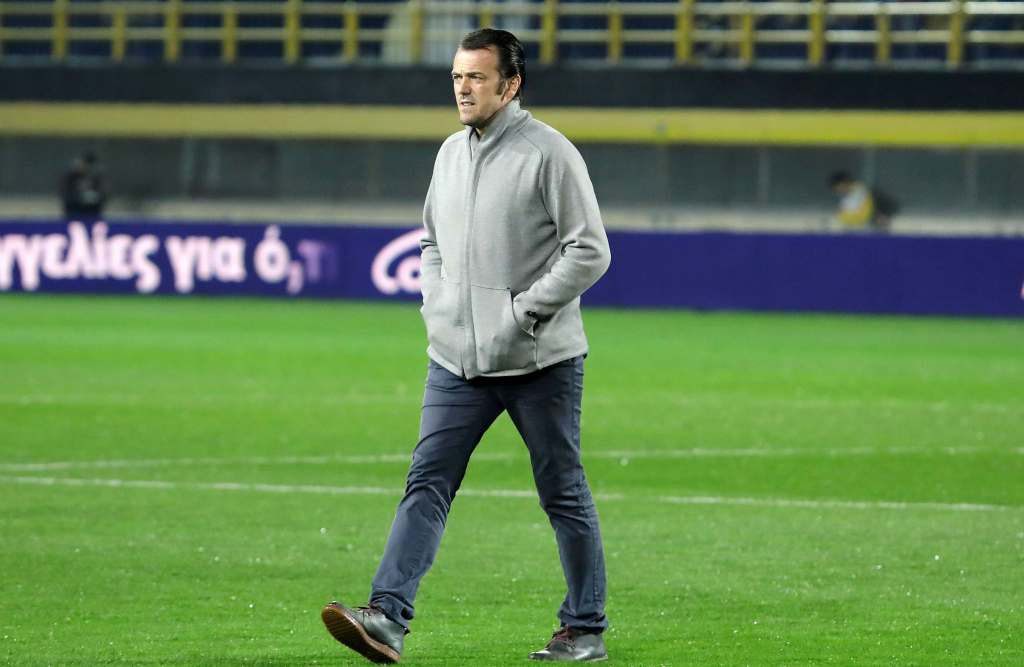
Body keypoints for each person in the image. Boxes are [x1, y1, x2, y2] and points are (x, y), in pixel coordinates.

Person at [321, 28, 612, 664]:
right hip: (456, 361)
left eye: (476, 77)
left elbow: (590, 250)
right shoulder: (450, 153)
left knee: (562, 492)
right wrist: (438, 304)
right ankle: (387, 617)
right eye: (457, 76)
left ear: (510, 86)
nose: (462, 88)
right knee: (427, 481)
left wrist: (524, 312)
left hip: (539, 360)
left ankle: (585, 628)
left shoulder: (549, 153)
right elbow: (430, 241)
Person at [828, 170, 897, 232]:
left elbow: (865, 215)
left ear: (842, 183)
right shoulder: (846, 197)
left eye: (836, 188)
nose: (836, 191)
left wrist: (843, 218)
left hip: (866, 232)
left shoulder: (863, 193)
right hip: (852, 230)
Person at [61, 152, 106, 219]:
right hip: (74, 212)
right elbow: (65, 194)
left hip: (92, 212)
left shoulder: (96, 178)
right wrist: (78, 192)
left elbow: (103, 195)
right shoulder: (71, 177)